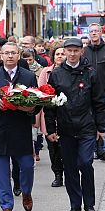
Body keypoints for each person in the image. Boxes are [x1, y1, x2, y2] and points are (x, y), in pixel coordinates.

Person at [45, 38, 105, 211]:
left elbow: (99, 102)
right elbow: (50, 103)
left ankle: (89, 204)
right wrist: (51, 129)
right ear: (64, 52)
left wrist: (101, 126)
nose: (72, 54)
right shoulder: (56, 74)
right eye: (69, 51)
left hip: (86, 126)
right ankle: (75, 205)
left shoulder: (90, 73)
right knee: (70, 167)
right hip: (65, 128)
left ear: (82, 52)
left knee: (85, 164)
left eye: (75, 51)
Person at [0, 42, 39, 211]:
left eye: (13, 53)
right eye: (6, 53)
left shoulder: (28, 76)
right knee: (1, 171)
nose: (9, 56)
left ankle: (26, 191)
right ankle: (6, 205)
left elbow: (38, 100)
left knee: (26, 166)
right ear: (0, 55)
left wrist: (29, 109)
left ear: (18, 55)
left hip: (20, 128)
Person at [38, 44, 65, 187]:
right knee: (52, 147)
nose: (60, 56)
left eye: (62, 53)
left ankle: (67, 171)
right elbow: (40, 92)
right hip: (48, 113)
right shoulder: (46, 72)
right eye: (57, 54)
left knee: (65, 147)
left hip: (66, 115)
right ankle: (58, 174)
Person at [82, 23, 105, 160]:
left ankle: (103, 148)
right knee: (90, 121)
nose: (94, 33)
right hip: (88, 92)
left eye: (96, 31)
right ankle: (94, 148)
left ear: (100, 33)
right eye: (91, 31)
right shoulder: (84, 51)